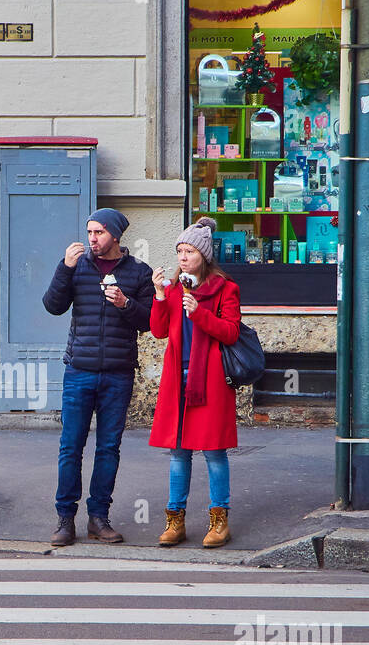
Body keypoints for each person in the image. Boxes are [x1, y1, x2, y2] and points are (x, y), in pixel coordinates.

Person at [43, 208, 154, 547]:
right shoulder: (78, 267)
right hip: (79, 370)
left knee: (108, 448)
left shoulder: (138, 272)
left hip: (118, 374)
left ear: (116, 236)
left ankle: (98, 518)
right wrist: (65, 268)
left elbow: (149, 322)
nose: (92, 238)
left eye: (99, 233)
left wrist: (125, 303)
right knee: (70, 447)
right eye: (90, 232)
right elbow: (52, 305)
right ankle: (65, 519)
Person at [148, 215, 241, 548]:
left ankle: (219, 522)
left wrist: (198, 312)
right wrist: (160, 295)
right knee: (178, 452)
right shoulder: (174, 290)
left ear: (204, 255)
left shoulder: (225, 289)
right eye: (180, 251)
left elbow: (230, 332)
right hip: (178, 378)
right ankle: (175, 520)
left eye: (189, 251)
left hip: (211, 378)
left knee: (214, 452)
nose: (183, 257)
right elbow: (159, 331)